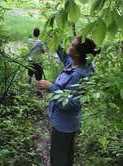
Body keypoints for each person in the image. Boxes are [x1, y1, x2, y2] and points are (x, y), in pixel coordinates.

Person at [36, 36, 101, 166]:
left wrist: (51, 87)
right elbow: (66, 59)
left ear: (77, 53)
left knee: (59, 159)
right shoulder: (79, 63)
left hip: (63, 125)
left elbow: (72, 104)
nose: (69, 45)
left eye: (71, 45)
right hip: (67, 122)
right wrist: (54, 42)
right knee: (66, 155)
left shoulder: (78, 75)